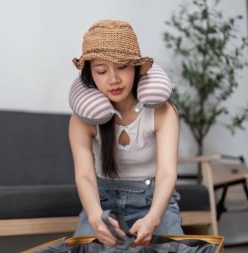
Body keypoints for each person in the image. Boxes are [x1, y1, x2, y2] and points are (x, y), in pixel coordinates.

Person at [69, 20, 183, 248]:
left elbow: (167, 173)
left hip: (153, 199)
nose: (113, 79)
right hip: (102, 201)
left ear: (137, 68)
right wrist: (95, 216)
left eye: (122, 67)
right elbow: (84, 176)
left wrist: (153, 218)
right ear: (91, 75)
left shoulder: (162, 111)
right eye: (101, 70)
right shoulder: (82, 120)